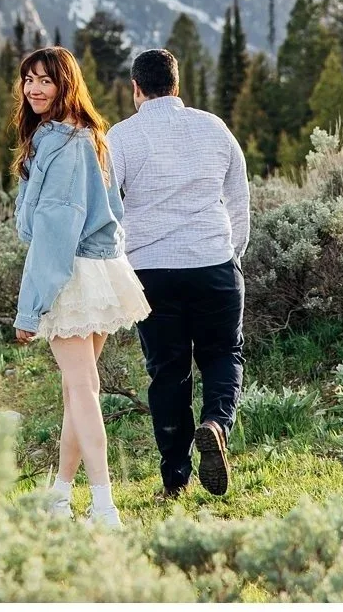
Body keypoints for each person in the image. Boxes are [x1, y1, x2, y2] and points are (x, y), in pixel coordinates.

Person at [11, 45, 151, 528]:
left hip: (71, 272)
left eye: (45, 80)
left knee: (81, 388)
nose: (34, 88)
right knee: (80, 390)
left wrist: (30, 311)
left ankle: (105, 507)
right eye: (28, 79)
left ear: (65, 84)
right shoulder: (91, 136)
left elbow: (54, 229)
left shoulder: (61, 144)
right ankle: (60, 497)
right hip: (101, 268)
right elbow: (114, 212)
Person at [106, 47, 250, 498]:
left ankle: (175, 481)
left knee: (168, 373)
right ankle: (216, 424)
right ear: (177, 84)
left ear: (135, 89)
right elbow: (239, 198)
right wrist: (233, 255)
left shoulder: (121, 137)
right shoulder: (214, 127)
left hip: (150, 272)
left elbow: (110, 208)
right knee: (223, 353)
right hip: (212, 263)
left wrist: (120, 266)